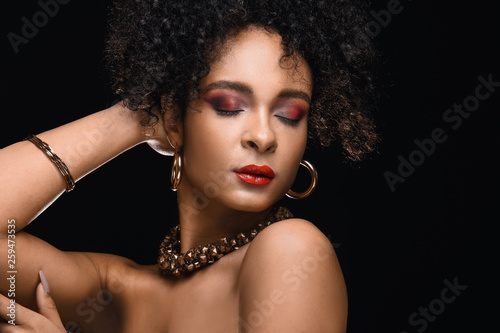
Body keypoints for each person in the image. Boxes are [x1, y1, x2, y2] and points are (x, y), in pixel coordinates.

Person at [0, 0, 378, 331]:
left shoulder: (292, 251)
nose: (264, 137)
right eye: (229, 106)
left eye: (290, 114)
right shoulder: (114, 294)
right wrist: (136, 118)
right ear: (176, 120)